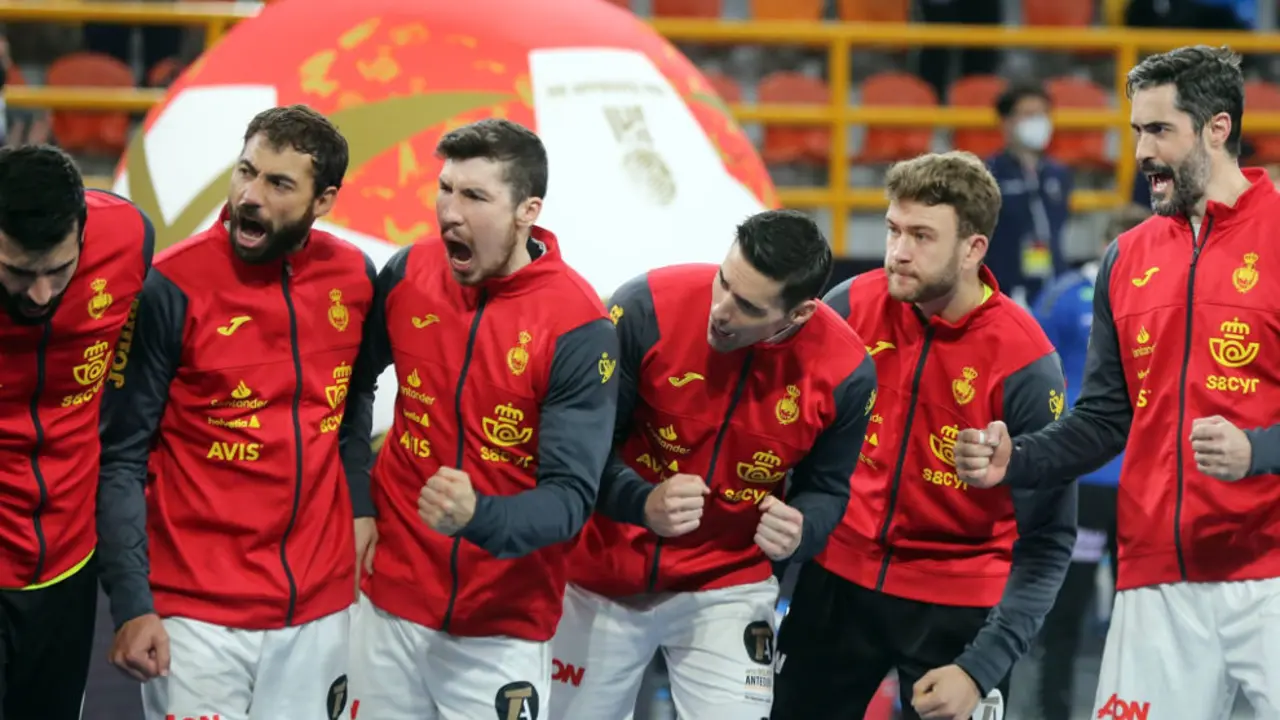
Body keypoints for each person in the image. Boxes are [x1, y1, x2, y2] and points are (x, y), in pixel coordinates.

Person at [954, 45, 1280, 718]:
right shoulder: (1124, 258)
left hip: (1270, 572)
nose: (1140, 153)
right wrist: (1021, 458)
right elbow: (1106, 416)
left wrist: (1260, 452)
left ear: (1217, 129)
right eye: (1136, 131)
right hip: (1155, 576)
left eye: (1159, 130)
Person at [771, 151, 1077, 720]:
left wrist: (979, 668)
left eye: (921, 236)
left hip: (959, 614)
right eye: (892, 230)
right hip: (836, 585)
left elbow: (1050, 541)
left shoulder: (1027, 363)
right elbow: (789, 445)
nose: (899, 251)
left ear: (973, 249)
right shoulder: (849, 307)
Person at [97, 104, 374, 720]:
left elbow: (354, 402)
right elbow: (118, 456)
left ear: (322, 200)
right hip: (196, 615)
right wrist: (133, 603)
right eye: (245, 171)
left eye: (279, 184)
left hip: (321, 609)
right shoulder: (168, 284)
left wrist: (360, 501)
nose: (250, 196)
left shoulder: (355, 275)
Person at [549, 209, 878, 719]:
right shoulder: (643, 308)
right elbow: (579, 451)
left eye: (747, 305)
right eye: (723, 281)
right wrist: (642, 502)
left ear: (800, 314)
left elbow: (828, 490)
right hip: (601, 571)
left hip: (729, 585)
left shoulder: (847, 373)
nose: (721, 310)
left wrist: (802, 529)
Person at [345, 118, 619, 720]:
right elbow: (350, 387)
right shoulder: (409, 272)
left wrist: (480, 517)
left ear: (528, 210)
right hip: (385, 601)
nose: (449, 212)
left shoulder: (579, 327)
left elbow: (571, 498)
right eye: (445, 189)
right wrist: (359, 500)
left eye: (474, 196)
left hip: (502, 628)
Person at [0, 145, 153, 719]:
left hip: (67, 567)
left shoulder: (129, 239)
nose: (40, 294)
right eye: (17, 271)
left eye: (57, 271)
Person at [1031, 204, 1149, 720]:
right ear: (1107, 244)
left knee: (1143, 609)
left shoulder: (1162, 296)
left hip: (1143, 482)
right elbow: (1032, 368)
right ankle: (1052, 708)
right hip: (1089, 480)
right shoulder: (1064, 295)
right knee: (1069, 608)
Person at [986, 83, 1074, 308]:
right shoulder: (988, 173)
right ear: (1006, 122)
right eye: (1028, 114)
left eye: (1042, 114)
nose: (1038, 121)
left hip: (1053, 284)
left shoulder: (1058, 173)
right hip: (1005, 287)